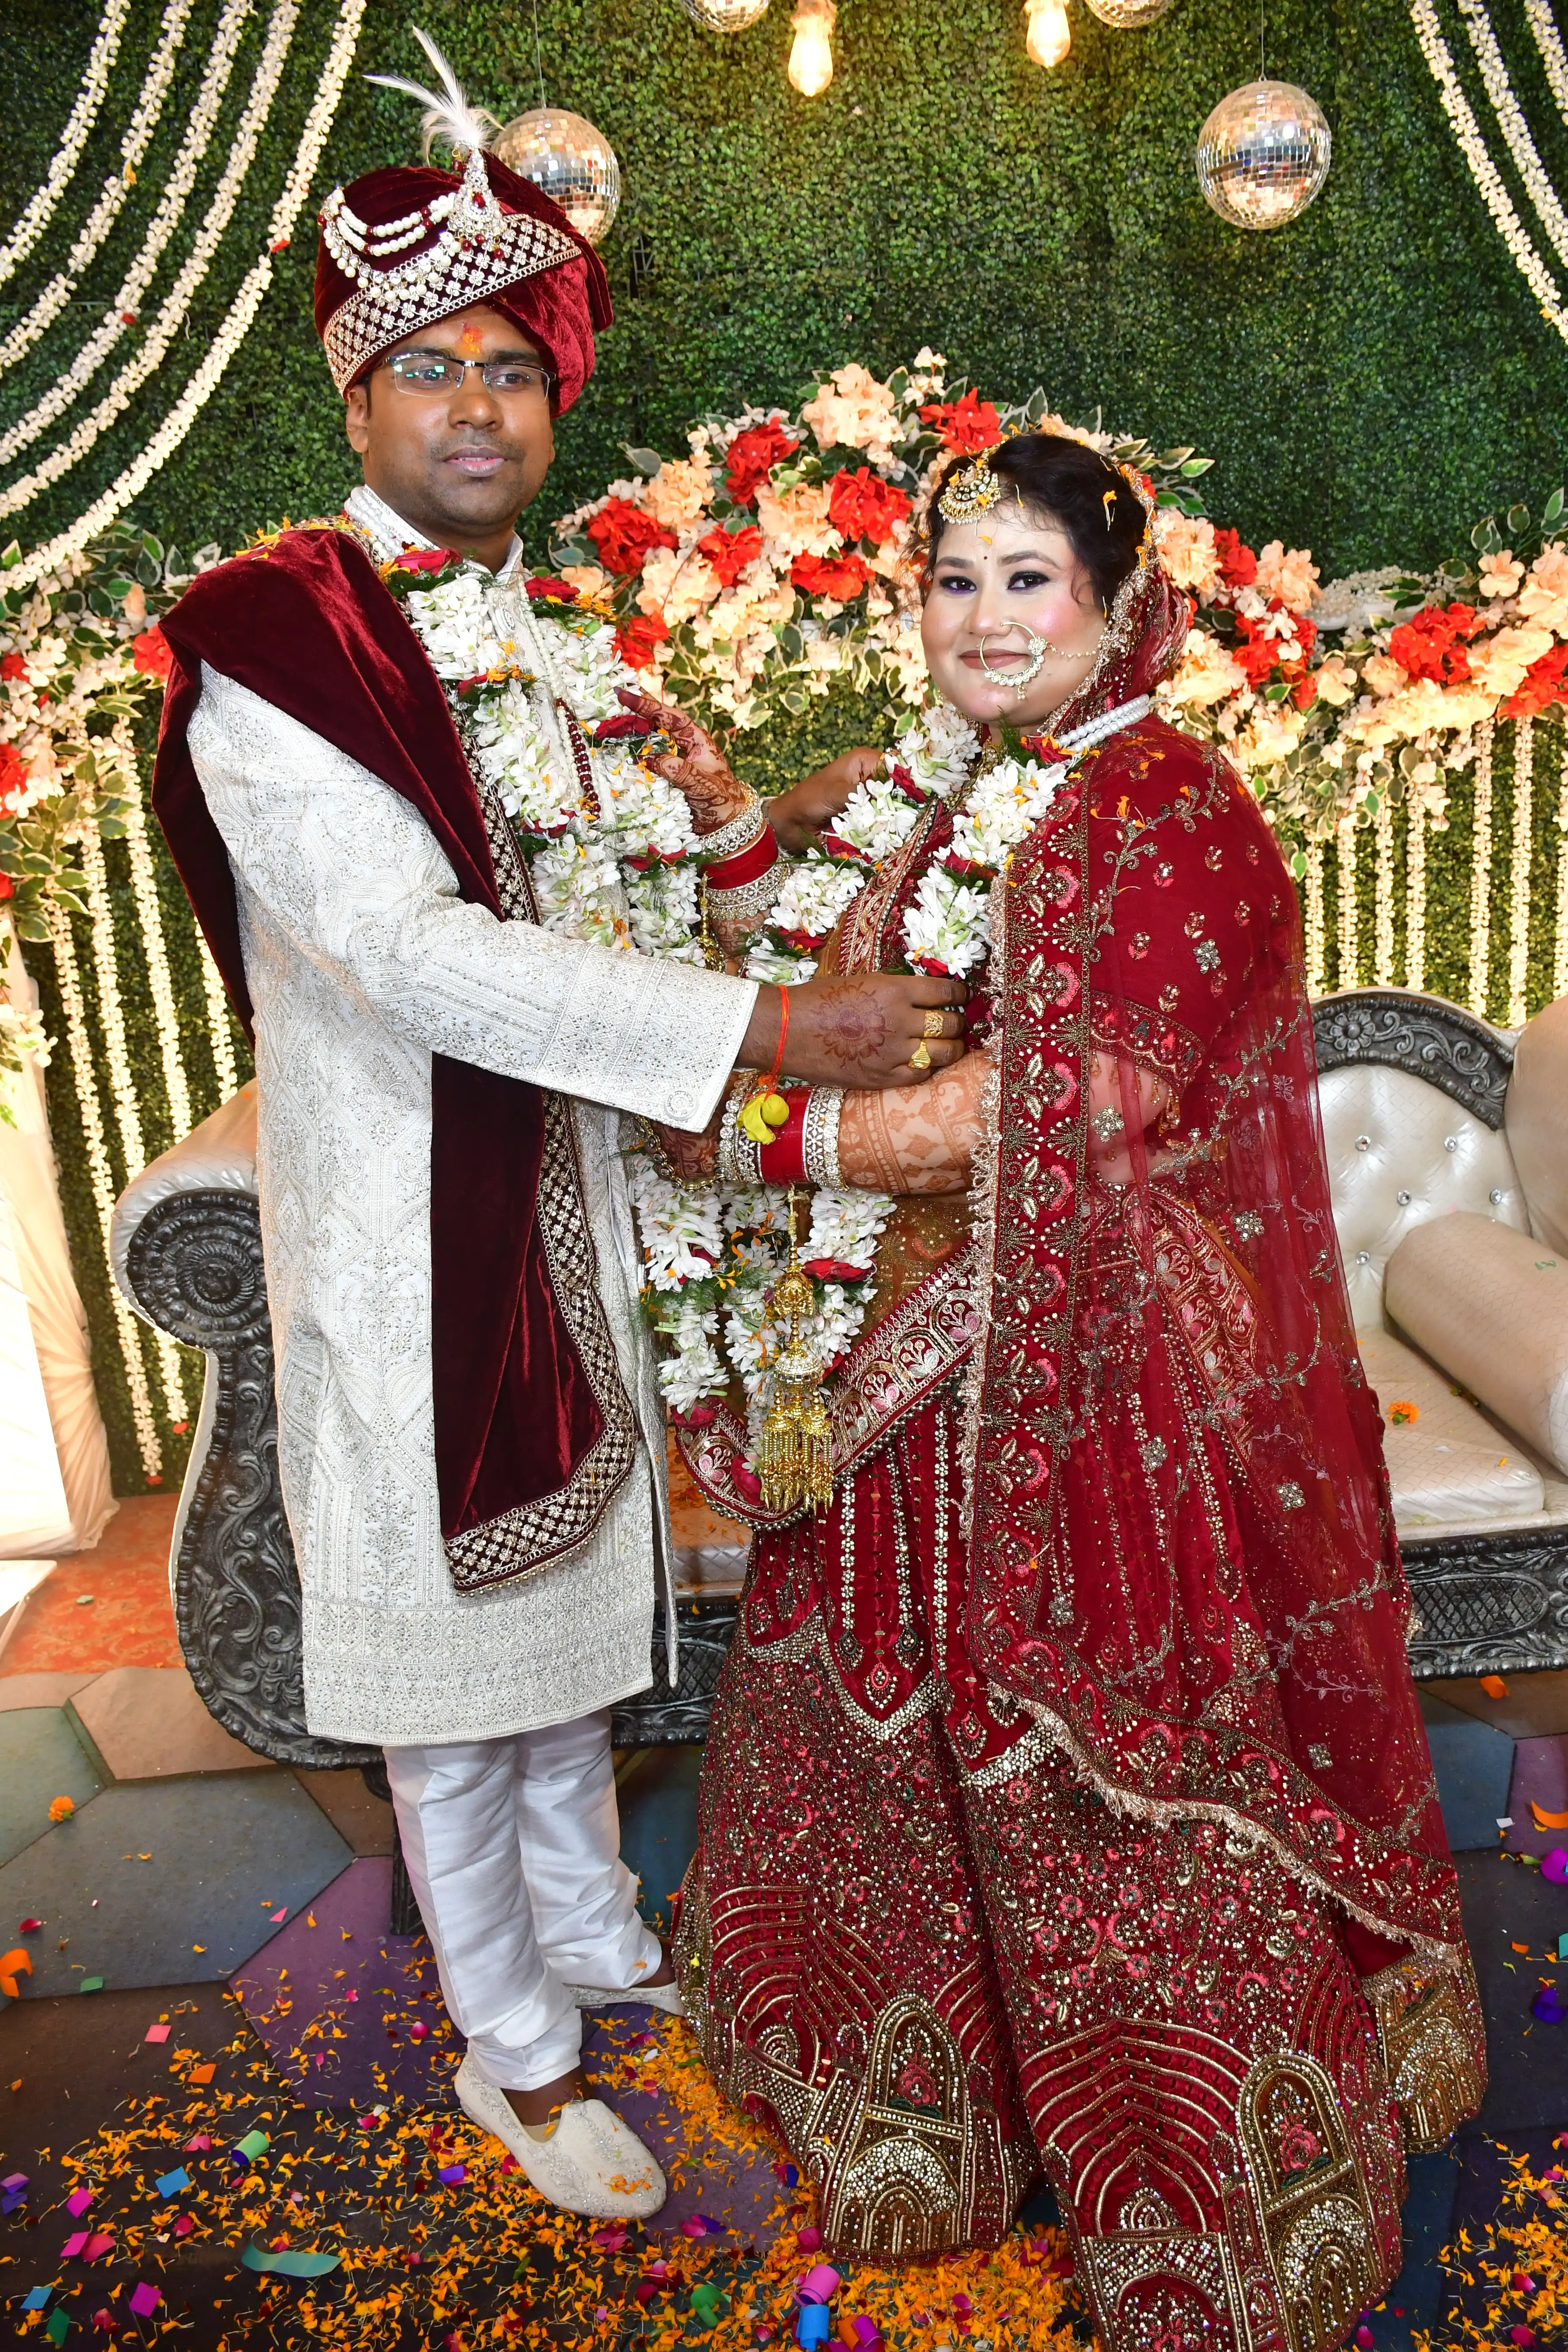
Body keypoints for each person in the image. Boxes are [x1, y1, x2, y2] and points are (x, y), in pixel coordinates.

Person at [146, 34, 963, 2223]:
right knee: (450, 1677)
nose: (480, 403)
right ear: (356, 395)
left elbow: (609, 909)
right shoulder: (270, 646)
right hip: (417, 1244)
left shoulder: (564, 655)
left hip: (573, 1222)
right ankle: (513, 2046)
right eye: (431, 366)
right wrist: (776, 1019)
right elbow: (412, 956)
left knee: (565, 1646)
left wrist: (754, 833)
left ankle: (600, 1941)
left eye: (513, 364)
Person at [662, 431, 1485, 2347]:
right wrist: (736, 852)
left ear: (1119, 609)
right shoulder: (960, 786)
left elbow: (1072, 1112)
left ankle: (1184, 2185)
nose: (983, 617)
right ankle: (932, 2107)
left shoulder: (1158, 807)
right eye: (954, 581)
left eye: (1028, 579)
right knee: (881, 1719)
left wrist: (748, 1130)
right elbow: (837, 958)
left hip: (1084, 1388)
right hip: (897, 1382)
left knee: (1083, 1764)